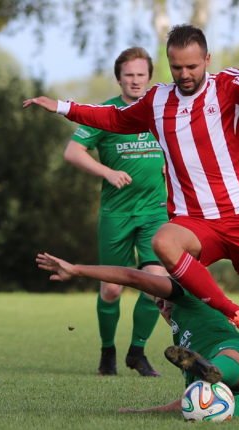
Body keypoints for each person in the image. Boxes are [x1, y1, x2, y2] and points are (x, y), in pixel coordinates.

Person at [23, 24, 239, 386]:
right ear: (169, 64)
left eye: (192, 66)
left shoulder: (229, 86)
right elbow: (113, 118)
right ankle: (232, 314)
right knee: (163, 242)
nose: (185, 74)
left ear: (207, 59)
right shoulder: (157, 100)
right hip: (195, 222)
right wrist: (62, 106)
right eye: (177, 67)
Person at [35, 251, 239, 419]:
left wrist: (77, 270)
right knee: (213, 411)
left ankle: (215, 369)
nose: (160, 303)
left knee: (223, 359)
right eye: (156, 303)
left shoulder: (187, 293)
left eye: (160, 296)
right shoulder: (180, 338)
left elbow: (130, 276)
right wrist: (140, 412)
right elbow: (187, 401)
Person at [62, 47, 168, 377]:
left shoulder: (160, 110)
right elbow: (72, 151)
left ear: (149, 77)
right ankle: (107, 352)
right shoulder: (106, 113)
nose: (135, 80)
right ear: (119, 78)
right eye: (129, 75)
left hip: (156, 212)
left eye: (141, 75)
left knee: (157, 283)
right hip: (116, 214)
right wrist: (106, 172)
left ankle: (137, 352)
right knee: (111, 289)